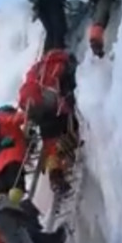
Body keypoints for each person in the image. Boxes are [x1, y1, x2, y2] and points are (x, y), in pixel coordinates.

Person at [18, 49, 80, 195]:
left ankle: (55, 173)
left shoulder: (39, 67)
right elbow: (64, 87)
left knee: (49, 143)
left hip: (35, 111)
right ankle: (60, 166)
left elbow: (28, 82)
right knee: (66, 132)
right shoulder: (61, 63)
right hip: (53, 108)